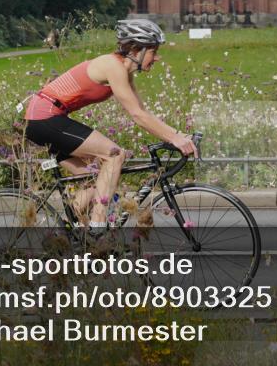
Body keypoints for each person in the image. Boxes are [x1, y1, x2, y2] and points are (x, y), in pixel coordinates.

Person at [23, 19, 197, 230]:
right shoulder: (112, 66)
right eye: (154, 50)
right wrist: (176, 139)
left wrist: (178, 135)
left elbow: (143, 112)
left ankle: (67, 232)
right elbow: (137, 115)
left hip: (46, 119)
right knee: (114, 155)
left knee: (99, 178)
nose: (157, 57)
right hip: (45, 117)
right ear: (136, 49)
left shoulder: (124, 72)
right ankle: (98, 225)